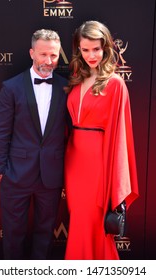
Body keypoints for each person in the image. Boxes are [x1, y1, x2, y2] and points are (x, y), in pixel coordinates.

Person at [64, 20, 139, 260]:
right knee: (78, 221)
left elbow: (120, 134)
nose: (91, 55)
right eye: (85, 50)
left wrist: (113, 177)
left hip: (98, 164)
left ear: (106, 48)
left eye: (96, 49)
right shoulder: (77, 77)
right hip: (73, 160)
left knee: (94, 224)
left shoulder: (115, 84)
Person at [0, 29, 68, 259]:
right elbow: (2, 131)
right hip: (17, 175)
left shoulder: (67, 88)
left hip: (51, 176)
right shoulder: (11, 87)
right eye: (43, 54)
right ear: (32, 53)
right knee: (14, 235)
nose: (49, 61)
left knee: (45, 235)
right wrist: (3, 170)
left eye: (54, 55)